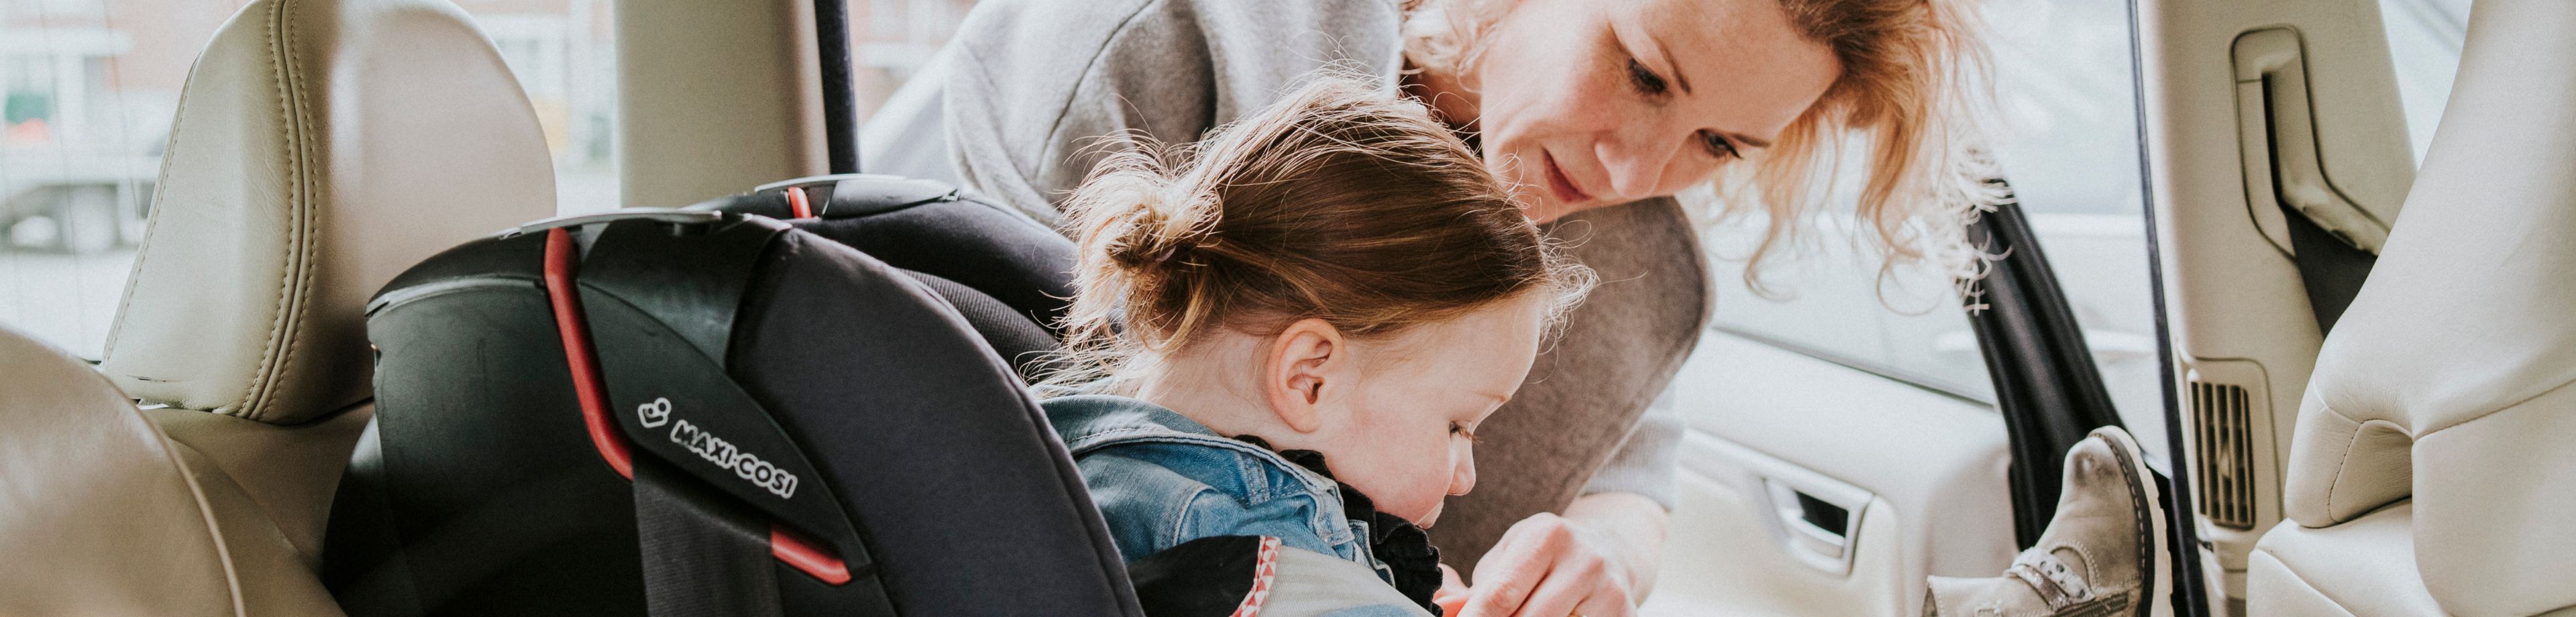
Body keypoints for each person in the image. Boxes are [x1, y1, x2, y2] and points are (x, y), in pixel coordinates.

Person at [863, 0, 2154, 614]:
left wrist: (1606, 551)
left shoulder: (1638, 264)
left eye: (1717, 145)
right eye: (1643, 73)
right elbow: (986, 446)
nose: (1636, 175)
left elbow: (1636, 472)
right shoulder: (1177, 39)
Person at [1035, 76, 1592, 615]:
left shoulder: (1055, 441)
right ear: (1309, 378)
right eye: (1456, 425)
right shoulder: (1271, 561)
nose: (1465, 477)